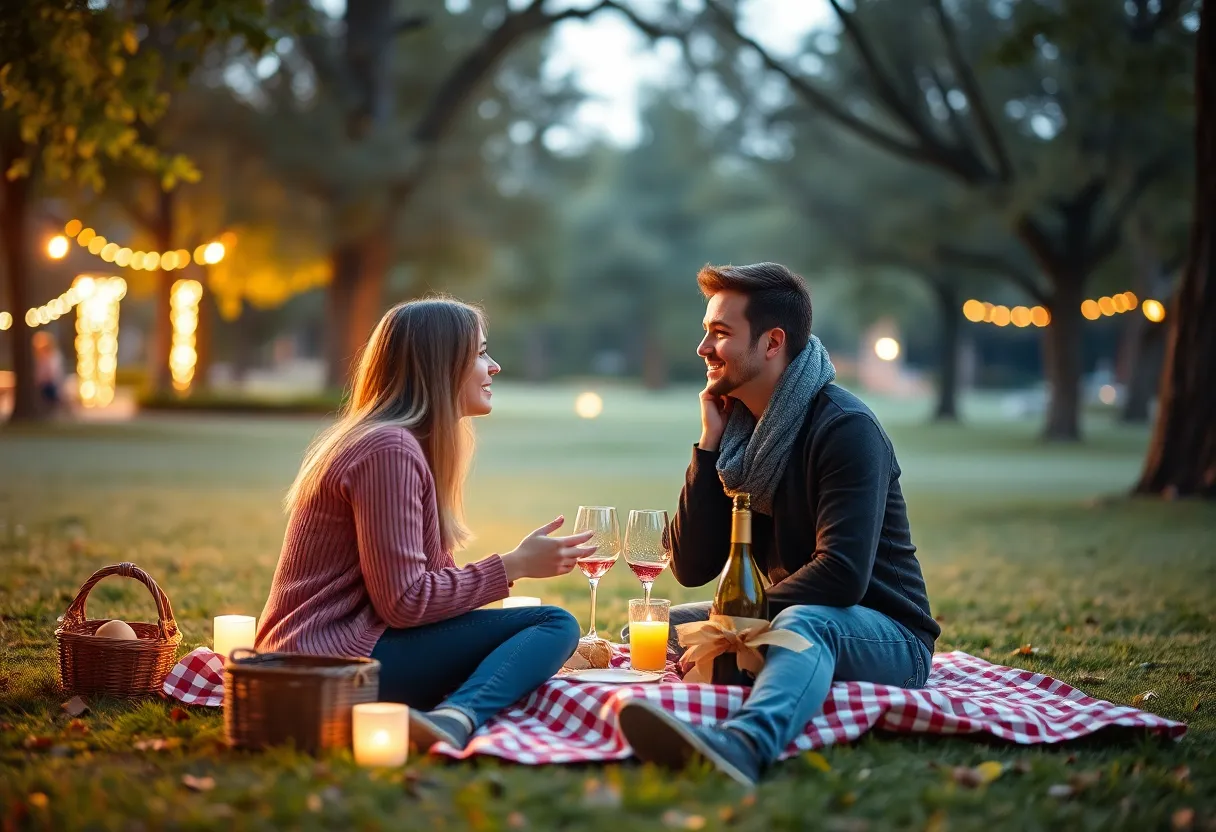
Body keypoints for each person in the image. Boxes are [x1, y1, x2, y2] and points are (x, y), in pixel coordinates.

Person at [618, 263, 938, 787]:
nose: (702, 348)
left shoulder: (845, 428)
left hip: (886, 634)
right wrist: (708, 445)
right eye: (706, 331)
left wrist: (733, 630)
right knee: (654, 630)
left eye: (720, 334)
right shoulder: (743, 437)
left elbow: (841, 575)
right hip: (791, 609)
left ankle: (744, 743)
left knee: (800, 625)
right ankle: (683, 722)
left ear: (772, 342)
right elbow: (692, 565)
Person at [256, 297, 593, 751]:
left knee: (530, 630)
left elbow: (416, 596)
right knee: (554, 624)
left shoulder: (397, 444)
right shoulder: (388, 449)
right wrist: (512, 566)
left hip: (335, 653)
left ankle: (451, 712)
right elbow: (405, 603)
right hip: (326, 664)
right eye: (480, 353)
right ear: (441, 364)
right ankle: (457, 717)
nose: (493, 367)